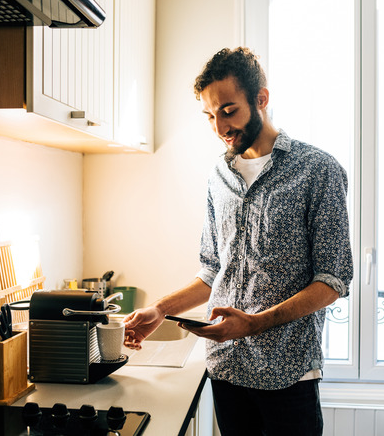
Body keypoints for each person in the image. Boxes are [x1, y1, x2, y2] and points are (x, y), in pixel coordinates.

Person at [123, 46, 353, 435]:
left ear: (261, 99)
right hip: (226, 368)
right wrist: (160, 309)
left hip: (288, 374)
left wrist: (255, 323)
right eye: (210, 116)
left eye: (228, 111)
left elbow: (333, 280)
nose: (219, 127)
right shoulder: (219, 176)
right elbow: (214, 269)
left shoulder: (318, 171)